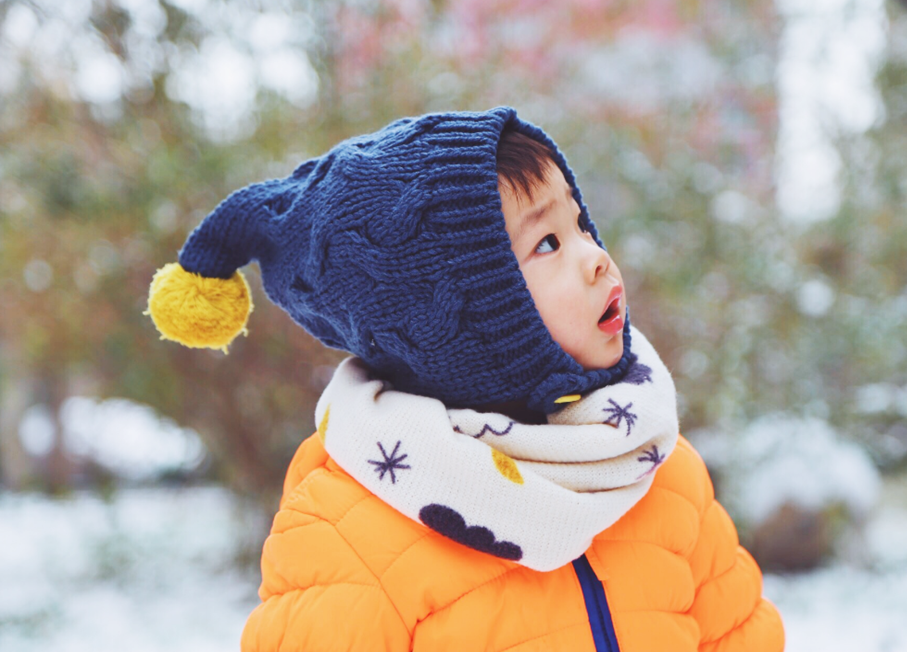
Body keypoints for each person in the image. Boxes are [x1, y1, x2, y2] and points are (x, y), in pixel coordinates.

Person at [146, 106, 785, 651]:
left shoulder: (652, 464)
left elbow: (737, 634)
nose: (596, 258)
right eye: (546, 245)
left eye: (579, 224)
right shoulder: (358, 524)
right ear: (464, 318)